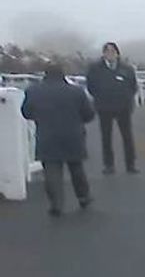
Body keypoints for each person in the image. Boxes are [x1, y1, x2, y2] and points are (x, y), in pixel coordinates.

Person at [21, 63, 94, 216]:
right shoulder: (76, 92)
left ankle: (56, 204)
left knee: (51, 171)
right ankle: (83, 197)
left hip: (47, 135)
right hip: (73, 135)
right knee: (76, 168)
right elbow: (89, 114)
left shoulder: (33, 91)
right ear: (63, 74)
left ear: (44, 74)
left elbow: (26, 112)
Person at [85, 42, 138, 174]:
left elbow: (133, 87)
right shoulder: (95, 69)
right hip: (104, 107)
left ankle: (130, 165)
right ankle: (109, 165)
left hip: (123, 107)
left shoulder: (127, 69)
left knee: (127, 137)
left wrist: (127, 99)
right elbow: (90, 86)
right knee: (106, 137)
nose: (110, 54)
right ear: (103, 54)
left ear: (117, 53)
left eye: (112, 51)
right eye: (107, 51)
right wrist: (100, 97)